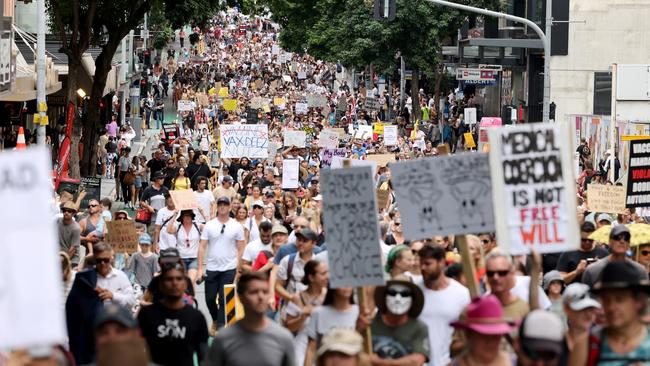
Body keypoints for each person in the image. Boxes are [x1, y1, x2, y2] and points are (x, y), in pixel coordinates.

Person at [207, 271, 296, 366]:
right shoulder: (223, 339)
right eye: (254, 292)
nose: (261, 297)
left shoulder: (283, 338)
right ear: (240, 297)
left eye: (265, 292)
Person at [569, 261, 650, 365]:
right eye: (606, 300)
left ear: (638, 301)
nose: (611, 307)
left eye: (619, 299)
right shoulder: (587, 345)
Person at [138, 261, 208, 366]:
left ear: (185, 285)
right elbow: (135, 350)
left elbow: (203, 357)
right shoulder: (146, 315)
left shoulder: (197, 317)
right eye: (169, 279)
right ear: (160, 285)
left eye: (179, 279)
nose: (174, 283)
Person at [198, 196, 245, 331]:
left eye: (225, 204)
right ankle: (215, 319)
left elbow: (241, 247)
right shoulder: (210, 225)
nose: (222, 207)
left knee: (226, 299)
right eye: (220, 204)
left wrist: (238, 268)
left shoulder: (236, 226)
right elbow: (202, 247)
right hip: (212, 268)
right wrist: (200, 268)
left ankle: (221, 328)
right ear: (217, 207)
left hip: (229, 268)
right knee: (210, 299)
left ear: (230, 207)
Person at [417, 245, 470, 366]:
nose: (423, 268)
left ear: (441, 262)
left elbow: (468, 333)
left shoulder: (461, 294)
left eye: (427, 263)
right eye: (421, 264)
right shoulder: (414, 292)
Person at [370, 275, 430, 365]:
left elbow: (416, 361)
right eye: (392, 293)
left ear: (412, 300)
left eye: (404, 294)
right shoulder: (370, 325)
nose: (397, 299)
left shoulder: (419, 328)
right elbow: (359, 355)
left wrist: (381, 362)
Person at [450, 295, 517, 366]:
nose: (490, 342)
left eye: (495, 335)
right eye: (483, 335)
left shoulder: (517, 363)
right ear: (469, 334)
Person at [284, 259, 329, 365]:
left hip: (327, 345)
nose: (327, 276)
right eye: (323, 273)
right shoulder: (298, 297)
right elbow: (289, 326)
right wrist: (303, 315)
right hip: (303, 346)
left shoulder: (331, 296)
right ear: (311, 277)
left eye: (328, 272)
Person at [304, 286, 361, 366]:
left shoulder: (360, 313)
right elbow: (311, 348)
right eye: (342, 283)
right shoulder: (318, 313)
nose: (347, 287)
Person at [582, 225, 648, 288]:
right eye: (617, 237)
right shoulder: (593, 270)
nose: (622, 241)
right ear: (610, 242)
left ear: (629, 243)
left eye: (626, 238)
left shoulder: (639, 271)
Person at [276, 228, 319, 305]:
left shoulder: (319, 262)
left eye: (305, 241)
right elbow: (277, 285)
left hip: (314, 308)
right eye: (299, 240)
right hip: (290, 309)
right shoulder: (287, 261)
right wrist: (291, 298)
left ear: (313, 243)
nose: (301, 243)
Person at [560, 283, 601, 365]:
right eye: (582, 309)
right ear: (567, 309)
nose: (589, 315)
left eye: (591, 309)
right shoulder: (556, 345)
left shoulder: (601, 344)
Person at [93, 242, 137, 308]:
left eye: (106, 260)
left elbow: (132, 301)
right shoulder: (88, 277)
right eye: (99, 260)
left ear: (111, 259)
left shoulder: (121, 276)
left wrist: (113, 296)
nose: (102, 263)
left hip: (116, 316)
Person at [167, 209, 203, 284]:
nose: (188, 217)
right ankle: (189, 295)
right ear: (182, 217)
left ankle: (190, 295)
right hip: (181, 259)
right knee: (183, 282)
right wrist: (174, 216)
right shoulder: (178, 227)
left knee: (190, 280)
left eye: (189, 215)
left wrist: (203, 213)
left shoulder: (197, 226)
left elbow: (209, 227)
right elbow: (168, 230)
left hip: (194, 258)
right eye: (185, 215)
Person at [58, 201, 81, 267]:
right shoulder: (58, 221)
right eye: (64, 210)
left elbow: (73, 249)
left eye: (69, 211)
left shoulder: (76, 228)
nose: (66, 212)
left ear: (73, 213)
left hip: (72, 259)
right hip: (59, 256)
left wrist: (63, 261)